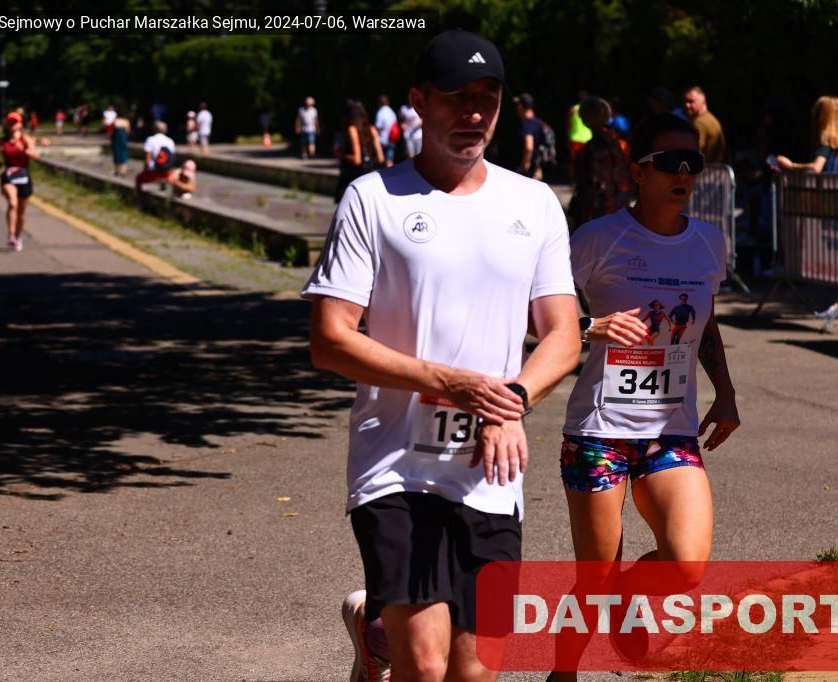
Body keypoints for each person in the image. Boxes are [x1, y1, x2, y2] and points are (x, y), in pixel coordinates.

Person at [303, 29, 581, 682]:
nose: (474, 113)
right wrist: (449, 382)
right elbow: (330, 337)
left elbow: (563, 335)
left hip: (489, 469)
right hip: (395, 465)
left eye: (488, 98)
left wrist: (510, 402)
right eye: (457, 97)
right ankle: (390, 638)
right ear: (420, 102)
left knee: (476, 670)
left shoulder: (534, 203)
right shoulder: (374, 198)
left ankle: (373, 631)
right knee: (426, 667)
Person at [551, 114, 739, 681]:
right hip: (599, 432)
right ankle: (563, 673)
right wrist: (591, 326)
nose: (683, 173)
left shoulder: (709, 243)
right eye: (669, 163)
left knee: (687, 565)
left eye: (693, 163)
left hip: (669, 430)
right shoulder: (597, 239)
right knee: (595, 579)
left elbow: (705, 323)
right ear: (638, 172)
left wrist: (725, 393)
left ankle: (630, 595)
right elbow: (535, 314)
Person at [776, 96, 838, 321]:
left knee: (837, 252)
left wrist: (790, 165)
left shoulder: (825, 143)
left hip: (831, 203)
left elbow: (816, 168)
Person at [569, 96, 630, 228]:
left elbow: (591, 179)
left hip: (599, 204)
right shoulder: (619, 142)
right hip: (619, 201)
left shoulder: (592, 147)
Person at [0, 112, 39, 251]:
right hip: (9, 175)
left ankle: (18, 236)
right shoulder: (2, 141)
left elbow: (35, 155)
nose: (12, 125)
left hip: (23, 175)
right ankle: (11, 235)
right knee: (13, 203)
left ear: (20, 124)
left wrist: (23, 149)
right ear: (7, 124)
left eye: (15, 122)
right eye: (10, 122)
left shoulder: (25, 139)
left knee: (21, 212)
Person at [332, 100, 383, 203]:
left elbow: (357, 159)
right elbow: (380, 158)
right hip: (369, 176)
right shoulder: (372, 129)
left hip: (353, 176)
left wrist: (342, 155)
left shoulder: (352, 129)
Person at [683, 86, 726, 164]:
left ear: (703, 102)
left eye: (691, 101)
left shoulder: (700, 123)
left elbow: (693, 154)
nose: (687, 105)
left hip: (707, 170)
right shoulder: (709, 118)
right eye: (685, 101)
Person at [135, 121, 176, 192]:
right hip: (167, 172)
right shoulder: (170, 141)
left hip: (154, 171)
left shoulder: (150, 140)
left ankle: (140, 196)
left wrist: (145, 171)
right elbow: (172, 158)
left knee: (138, 178)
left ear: (154, 129)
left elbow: (147, 159)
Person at [514, 92, 545, 180]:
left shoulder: (526, 123)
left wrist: (524, 166)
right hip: (536, 167)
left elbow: (529, 147)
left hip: (528, 171)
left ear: (520, 106)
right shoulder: (538, 123)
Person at [374, 95, 398, 168]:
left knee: (381, 160)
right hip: (392, 138)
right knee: (390, 160)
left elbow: (378, 127)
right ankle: (391, 173)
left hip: (383, 139)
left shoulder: (381, 112)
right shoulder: (391, 112)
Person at [110, 111, 131, 177]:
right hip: (123, 139)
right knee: (124, 155)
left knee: (116, 155)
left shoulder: (115, 120)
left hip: (116, 140)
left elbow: (112, 131)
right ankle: (123, 171)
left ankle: (116, 171)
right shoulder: (126, 121)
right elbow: (128, 131)